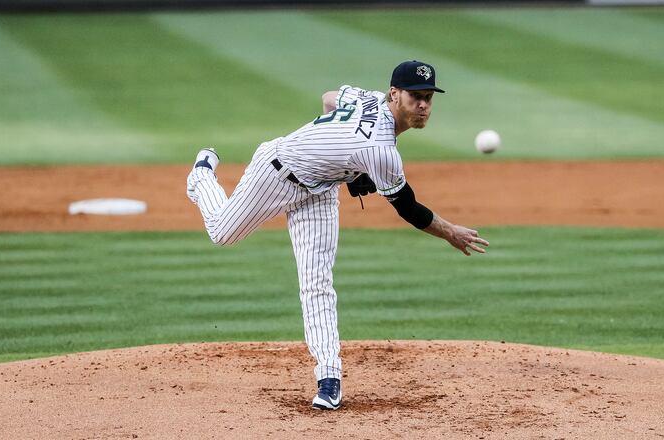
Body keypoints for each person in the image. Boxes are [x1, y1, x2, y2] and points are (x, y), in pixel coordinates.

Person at [186, 60, 489, 410]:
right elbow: (408, 207)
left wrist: (336, 152)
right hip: (275, 172)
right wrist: (451, 232)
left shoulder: (369, 98)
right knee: (222, 233)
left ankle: (329, 378)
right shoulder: (381, 150)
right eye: (415, 96)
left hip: (322, 190)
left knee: (317, 282)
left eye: (428, 98)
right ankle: (201, 176)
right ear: (395, 94)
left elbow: (330, 98)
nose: (423, 105)